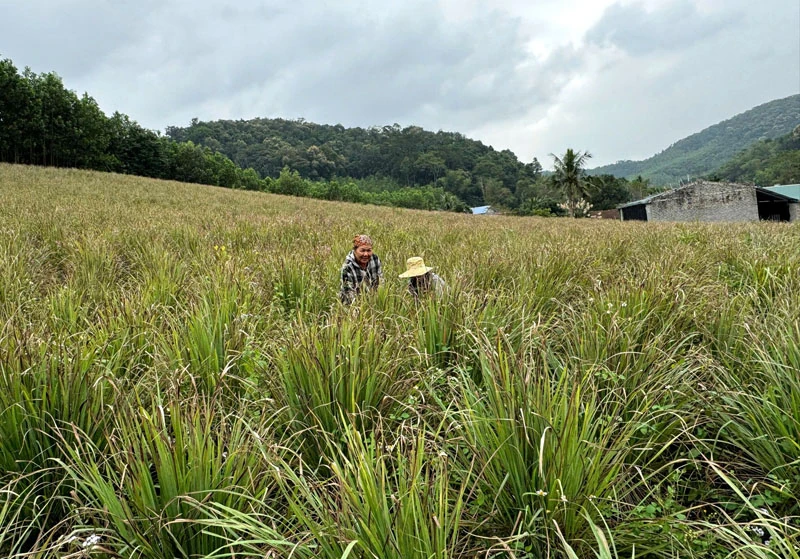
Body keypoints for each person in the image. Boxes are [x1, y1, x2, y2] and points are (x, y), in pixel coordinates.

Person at [339, 234, 383, 304]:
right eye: (362, 251)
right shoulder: (347, 267)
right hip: (353, 303)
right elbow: (349, 293)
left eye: (369, 250)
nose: (366, 254)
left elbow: (380, 281)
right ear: (355, 250)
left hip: (373, 299)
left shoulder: (375, 259)